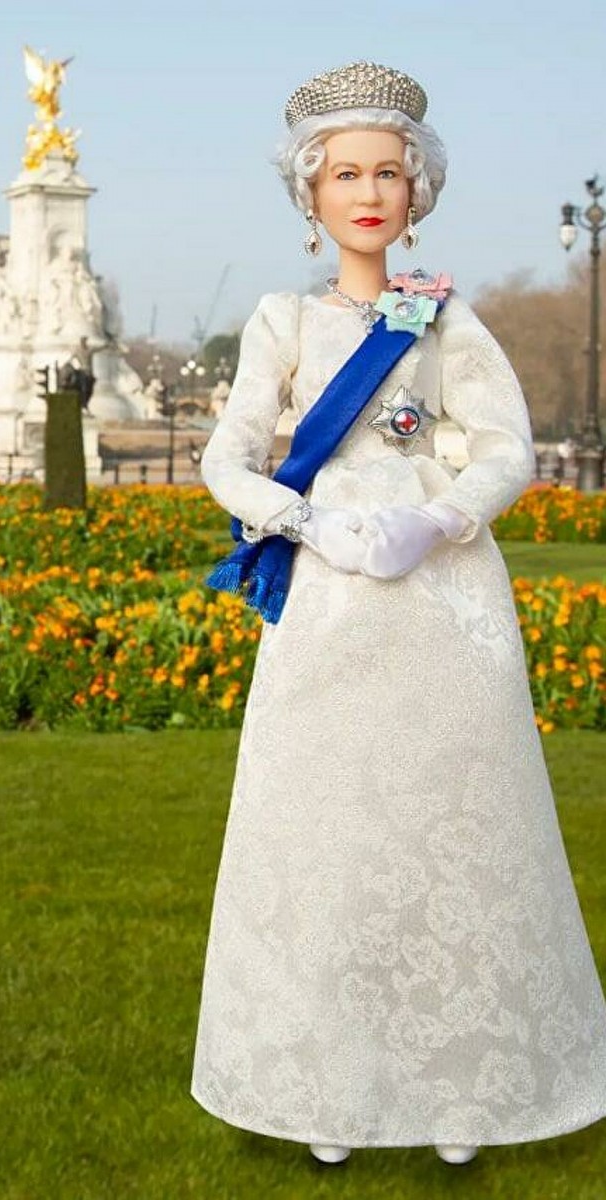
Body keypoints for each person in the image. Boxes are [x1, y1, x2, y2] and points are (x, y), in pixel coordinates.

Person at [191, 62, 606, 1168]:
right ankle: (331, 1086)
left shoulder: (443, 317)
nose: (368, 193)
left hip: (442, 597)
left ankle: (462, 1088)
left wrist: (439, 519)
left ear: (417, 186)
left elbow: (507, 447)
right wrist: (306, 521)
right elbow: (227, 457)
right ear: (310, 191)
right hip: (330, 600)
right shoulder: (281, 319)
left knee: (456, 834)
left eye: (387, 172)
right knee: (328, 837)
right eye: (345, 174)